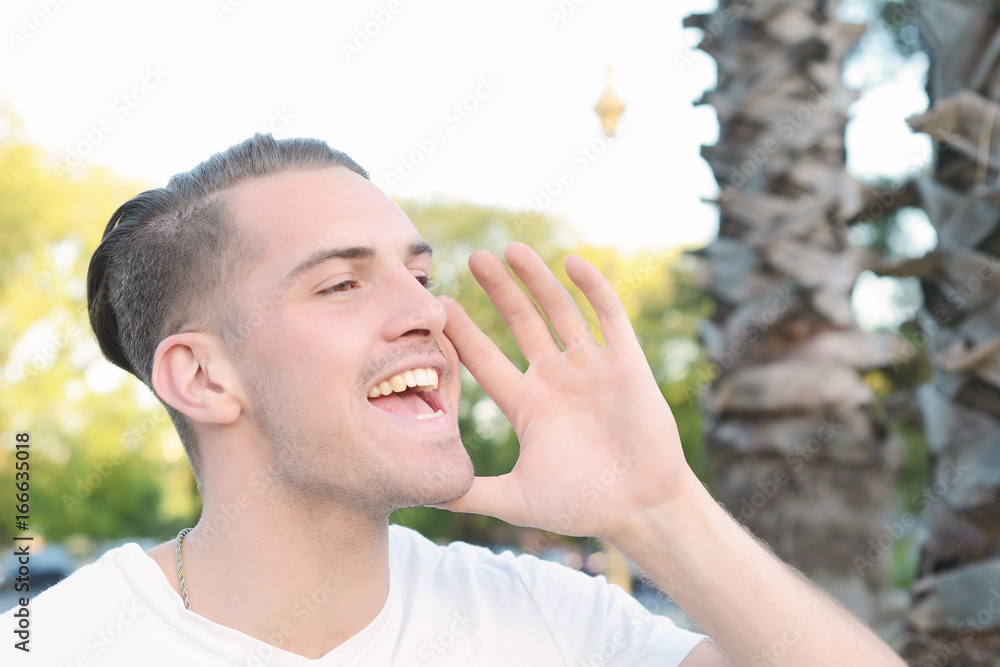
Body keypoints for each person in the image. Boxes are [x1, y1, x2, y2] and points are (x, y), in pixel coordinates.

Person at [2, 134, 905, 666]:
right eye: (343, 286)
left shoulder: (546, 620)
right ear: (202, 377)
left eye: (420, 271)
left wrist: (659, 510)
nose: (429, 311)